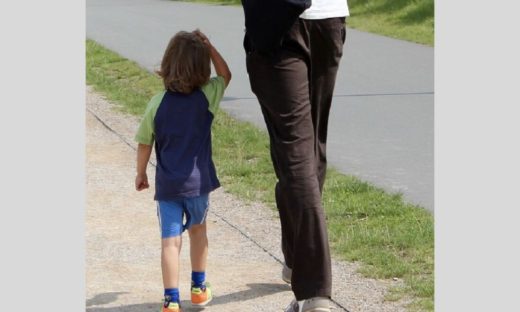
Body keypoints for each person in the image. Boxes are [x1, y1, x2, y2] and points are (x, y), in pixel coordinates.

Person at [241, 0, 349, 311]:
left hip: (280, 22)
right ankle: (296, 259)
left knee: (297, 157)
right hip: (328, 19)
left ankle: (314, 292)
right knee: (310, 149)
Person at [134, 29, 231, 312]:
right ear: (202, 68)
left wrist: (140, 173)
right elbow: (226, 75)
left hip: (168, 188)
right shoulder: (207, 97)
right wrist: (210, 46)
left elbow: (144, 142)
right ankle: (199, 288)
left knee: (169, 242)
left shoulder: (157, 103)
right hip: (198, 185)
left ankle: (171, 300)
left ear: (167, 64)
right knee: (198, 231)